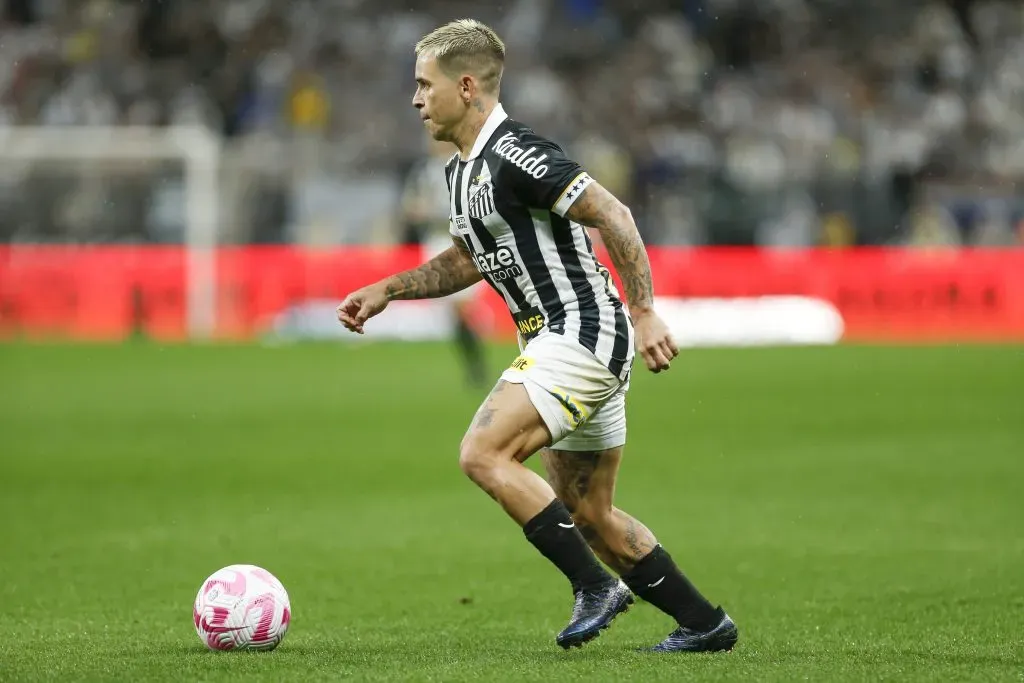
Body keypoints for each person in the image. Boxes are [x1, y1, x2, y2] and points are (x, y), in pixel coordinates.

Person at [337, 18, 737, 653]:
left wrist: (646, 310)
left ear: (466, 86)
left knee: (481, 453)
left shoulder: (517, 153)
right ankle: (705, 624)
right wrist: (389, 288)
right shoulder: (460, 172)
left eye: (423, 85)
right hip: (559, 339)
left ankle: (595, 587)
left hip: (580, 330)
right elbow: (466, 260)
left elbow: (612, 211)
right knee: (589, 512)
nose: (414, 100)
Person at [400, 136, 488, 387]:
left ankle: (476, 364)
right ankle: (474, 364)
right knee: (455, 312)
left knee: (461, 308)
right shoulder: (424, 172)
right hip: (437, 241)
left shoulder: (466, 166)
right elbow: (410, 205)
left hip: (464, 241)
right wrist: (420, 211)